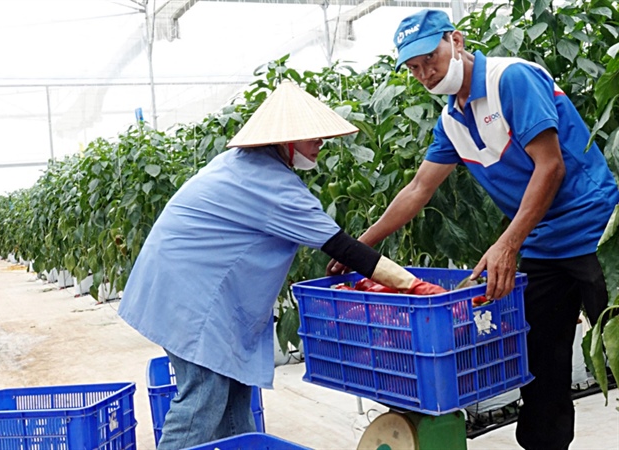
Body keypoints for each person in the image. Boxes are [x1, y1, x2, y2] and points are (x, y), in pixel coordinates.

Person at [328, 9, 619, 450]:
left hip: (593, 232)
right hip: (542, 244)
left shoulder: (510, 79)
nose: (425, 73)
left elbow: (551, 167)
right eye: (413, 67)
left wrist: (506, 244)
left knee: (615, 338)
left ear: (456, 41)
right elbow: (418, 189)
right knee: (540, 358)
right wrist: (358, 247)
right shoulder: (452, 121)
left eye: (431, 58)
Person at [117, 80, 445, 449]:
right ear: (285, 140)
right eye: (312, 138)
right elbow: (345, 248)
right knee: (203, 398)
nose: (320, 146)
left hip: (182, 286)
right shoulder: (271, 185)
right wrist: (415, 286)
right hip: (192, 300)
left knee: (236, 394)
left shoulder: (244, 164)